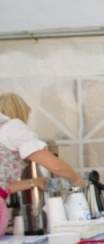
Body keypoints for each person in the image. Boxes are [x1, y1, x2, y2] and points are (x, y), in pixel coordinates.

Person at [0, 92, 85, 231]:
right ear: (19, 112)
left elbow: (3, 187)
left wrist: (34, 182)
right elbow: (56, 166)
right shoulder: (11, 128)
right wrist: (77, 179)